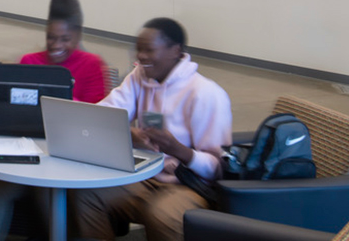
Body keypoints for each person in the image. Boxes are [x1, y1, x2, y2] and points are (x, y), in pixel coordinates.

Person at [71, 18, 232, 241]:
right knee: (86, 194)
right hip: (145, 176)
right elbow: (103, 116)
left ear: (175, 51)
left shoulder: (206, 94)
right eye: (139, 50)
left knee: (161, 214)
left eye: (149, 50)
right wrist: (128, 133)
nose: (141, 57)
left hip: (189, 186)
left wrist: (178, 150)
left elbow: (218, 169)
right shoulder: (139, 77)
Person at [0, 0, 112, 241]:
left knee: (49, 195)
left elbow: (98, 120)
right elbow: (14, 111)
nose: (56, 45)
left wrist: (61, 104)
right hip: (30, 152)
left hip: (69, 159)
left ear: (78, 35)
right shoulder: (30, 61)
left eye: (65, 39)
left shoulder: (92, 65)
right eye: (51, 38)